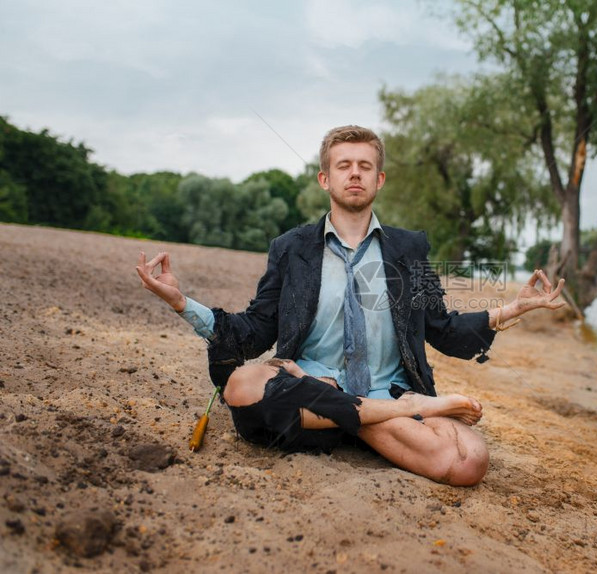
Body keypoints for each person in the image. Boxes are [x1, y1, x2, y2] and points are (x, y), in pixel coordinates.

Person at [136, 125, 565, 486]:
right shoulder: (291, 249)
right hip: (313, 385)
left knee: (470, 460)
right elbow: (256, 329)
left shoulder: (408, 249)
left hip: (375, 391)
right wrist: (181, 302)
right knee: (242, 385)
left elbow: (441, 326)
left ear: (380, 180)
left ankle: (362, 416)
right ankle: (399, 414)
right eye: (344, 166)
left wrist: (515, 307)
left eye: (365, 167)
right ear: (326, 179)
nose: (354, 174)